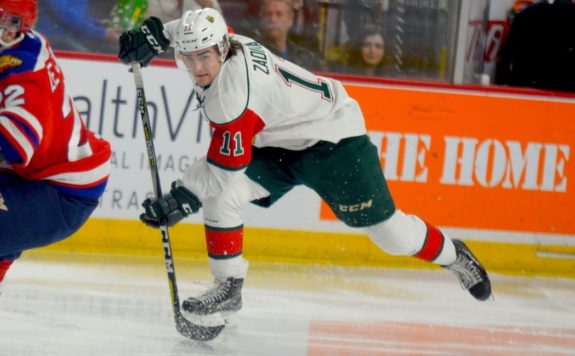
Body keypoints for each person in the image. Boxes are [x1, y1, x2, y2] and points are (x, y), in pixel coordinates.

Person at [117, 8, 492, 316]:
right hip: (280, 140)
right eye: (190, 57)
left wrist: (179, 198)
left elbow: (221, 167)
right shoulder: (222, 40)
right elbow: (189, 26)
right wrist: (154, 36)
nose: (199, 67)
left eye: (205, 57)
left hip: (333, 138)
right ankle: (229, 286)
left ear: (222, 49)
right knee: (222, 196)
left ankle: (452, 254)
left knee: (390, 235)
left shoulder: (233, 97)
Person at [0, 0, 112, 293]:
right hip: (50, 178)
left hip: (61, 193)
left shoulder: (21, 75)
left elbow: (17, 145)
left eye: (7, 22)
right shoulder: (27, 44)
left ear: (16, 29)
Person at [495, 0, 575, 92]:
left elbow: (506, 58)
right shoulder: (527, 14)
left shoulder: (525, 14)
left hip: (526, 89)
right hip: (564, 91)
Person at [256, 0, 327, 72]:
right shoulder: (254, 53)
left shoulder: (307, 58)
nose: (273, 19)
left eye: (279, 14)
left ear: (290, 19)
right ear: (261, 19)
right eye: (268, 14)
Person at [35, 0, 123, 53]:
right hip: (53, 37)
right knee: (90, 60)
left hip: (75, 35)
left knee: (115, 52)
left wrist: (97, 24)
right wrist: (101, 34)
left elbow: (78, 15)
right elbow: (65, 15)